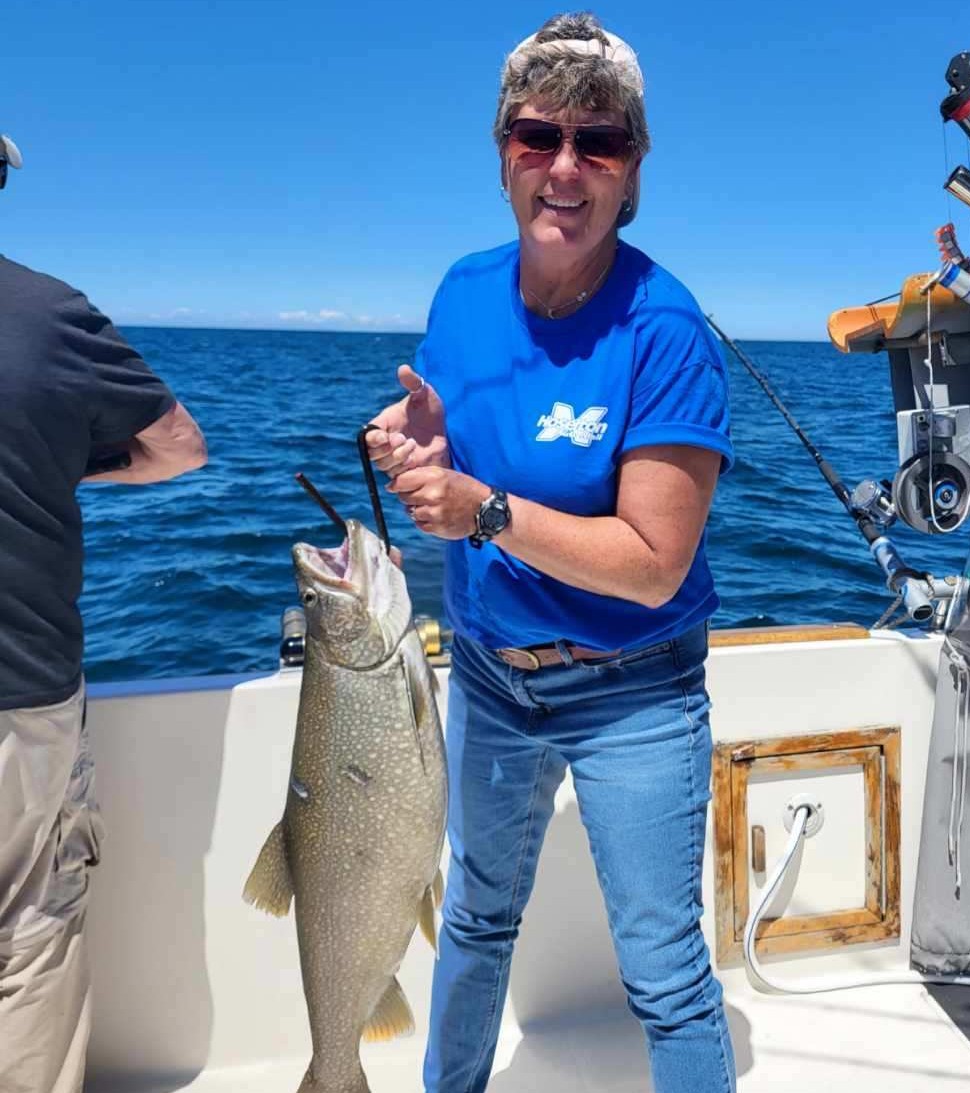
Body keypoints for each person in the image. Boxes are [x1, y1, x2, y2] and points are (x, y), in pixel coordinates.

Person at [366, 13, 736, 1093]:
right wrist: (419, 450)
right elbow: (451, 443)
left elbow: (654, 560)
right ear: (502, 157)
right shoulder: (461, 290)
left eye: (599, 142)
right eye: (538, 137)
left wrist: (481, 509)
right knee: (475, 920)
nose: (564, 168)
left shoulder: (665, 331)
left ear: (632, 171)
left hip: (636, 693)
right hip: (487, 674)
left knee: (664, 972)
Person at [0, 138, 208, 1093]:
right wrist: (71, 465)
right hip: (20, 698)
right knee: (29, 933)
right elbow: (179, 448)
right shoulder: (49, 313)